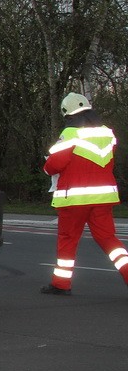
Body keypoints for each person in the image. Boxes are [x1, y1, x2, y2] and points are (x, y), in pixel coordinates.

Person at [40, 92, 128, 295]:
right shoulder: (108, 134)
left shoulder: (71, 134)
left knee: (68, 240)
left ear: (68, 114)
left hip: (75, 199)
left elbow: (54, 165)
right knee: (108, 239)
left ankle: (61, 284)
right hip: (103, 198)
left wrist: (46, 166)